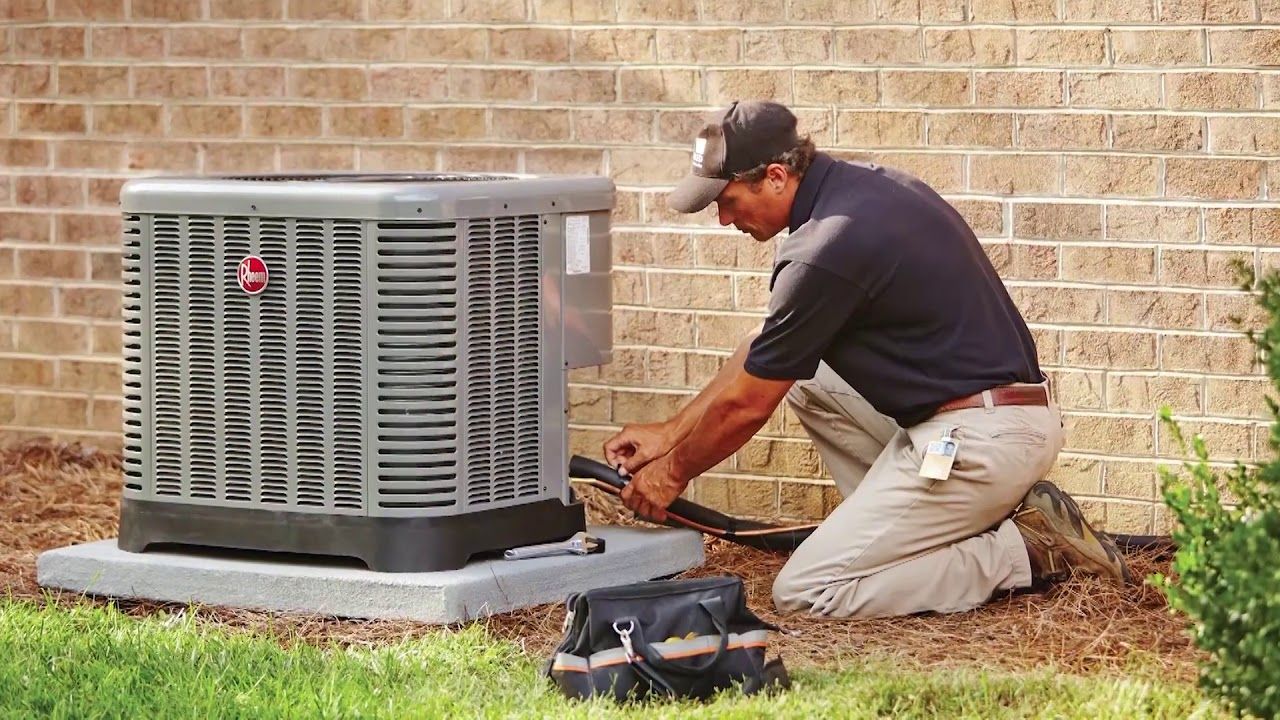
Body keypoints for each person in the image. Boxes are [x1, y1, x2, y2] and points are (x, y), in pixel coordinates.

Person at [602, 100, 1132, 619]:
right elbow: (761, 352)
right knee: (802, 377)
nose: (722, 219)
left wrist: (671, 474)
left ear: (777, 177)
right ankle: (908, 539)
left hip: (980, 440)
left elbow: (747, 406)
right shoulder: (863, 191)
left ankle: (1027, 550)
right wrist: (668, 433)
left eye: (729, 200)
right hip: (988, 420)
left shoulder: (825, 249)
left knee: (808, 591)